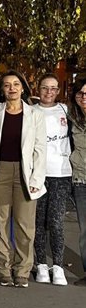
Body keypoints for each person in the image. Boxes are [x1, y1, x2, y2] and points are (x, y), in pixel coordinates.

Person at [0, 71, 46, 287]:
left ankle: (22, 269)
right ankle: (3, 268)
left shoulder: (35, 114)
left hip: (25, 172)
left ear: (23, 87)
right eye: (7, 85)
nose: (12, 88)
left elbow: (41, 149)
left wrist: (36, 179)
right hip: (0, 171)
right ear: (2, 89)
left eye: (16, 84)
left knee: (25, 224)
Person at [33, 74, 70, 286]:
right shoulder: (31, 111)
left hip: (61, 173)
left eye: (53, 88)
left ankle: (58, 265)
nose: (49, 92)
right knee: (38, 222)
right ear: (38, 89)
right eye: (45, 87)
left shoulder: (65, 110)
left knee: (56, 222)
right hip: (38, 174)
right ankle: (40, 264)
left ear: (58, 91)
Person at [68, 78, 86, 287]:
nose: (84, 97)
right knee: (85, 231)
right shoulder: (71, 118)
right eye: (80, 93)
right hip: (81, 180)